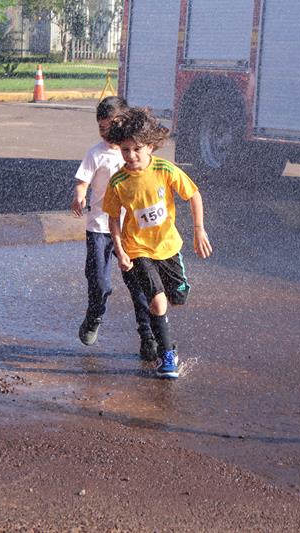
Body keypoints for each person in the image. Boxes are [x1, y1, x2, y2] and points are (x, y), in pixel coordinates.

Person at [102, 107, 212, 379]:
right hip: (137, 248)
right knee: (157, 302)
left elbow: (193, 195)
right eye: (125, 150)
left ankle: (176, 290)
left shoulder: (164, 169)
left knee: (177, 296)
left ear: (151, 146)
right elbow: (113, 218)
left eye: (137, 149)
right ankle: (168, 355)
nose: (131, 156)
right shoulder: (119, 181)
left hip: (168, 246)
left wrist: (199, 230)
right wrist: (120, 249)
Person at [72, 96, 156, 360]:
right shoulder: (96, 153)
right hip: (99, 228)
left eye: (112, 126)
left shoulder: (133, 153)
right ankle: (95, 315)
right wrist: (79, 194)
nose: (107, 132)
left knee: (140, 289)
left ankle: (147, 336)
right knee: (100, 282)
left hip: (131, 232)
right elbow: (82, 180)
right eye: (102, 128)